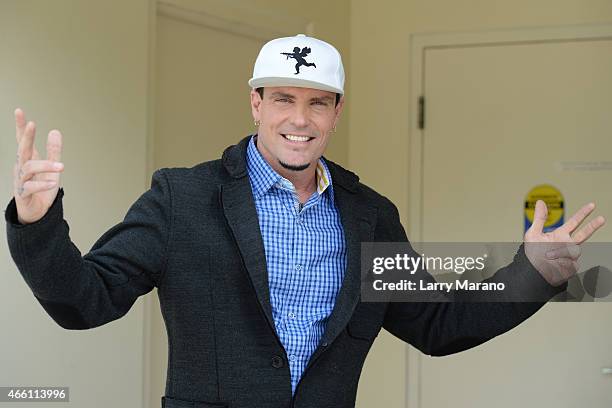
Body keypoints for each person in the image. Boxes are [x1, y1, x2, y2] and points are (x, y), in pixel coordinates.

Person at [5, 33, 605, 408]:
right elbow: (86, 301)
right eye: (284, 100)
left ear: (337, 113)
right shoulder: (181, 198)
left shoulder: (369, 214)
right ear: (256, 104)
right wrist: (37, 224)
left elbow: (436, 324)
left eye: (317, 101)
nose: (300, 119)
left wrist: (534, 272)